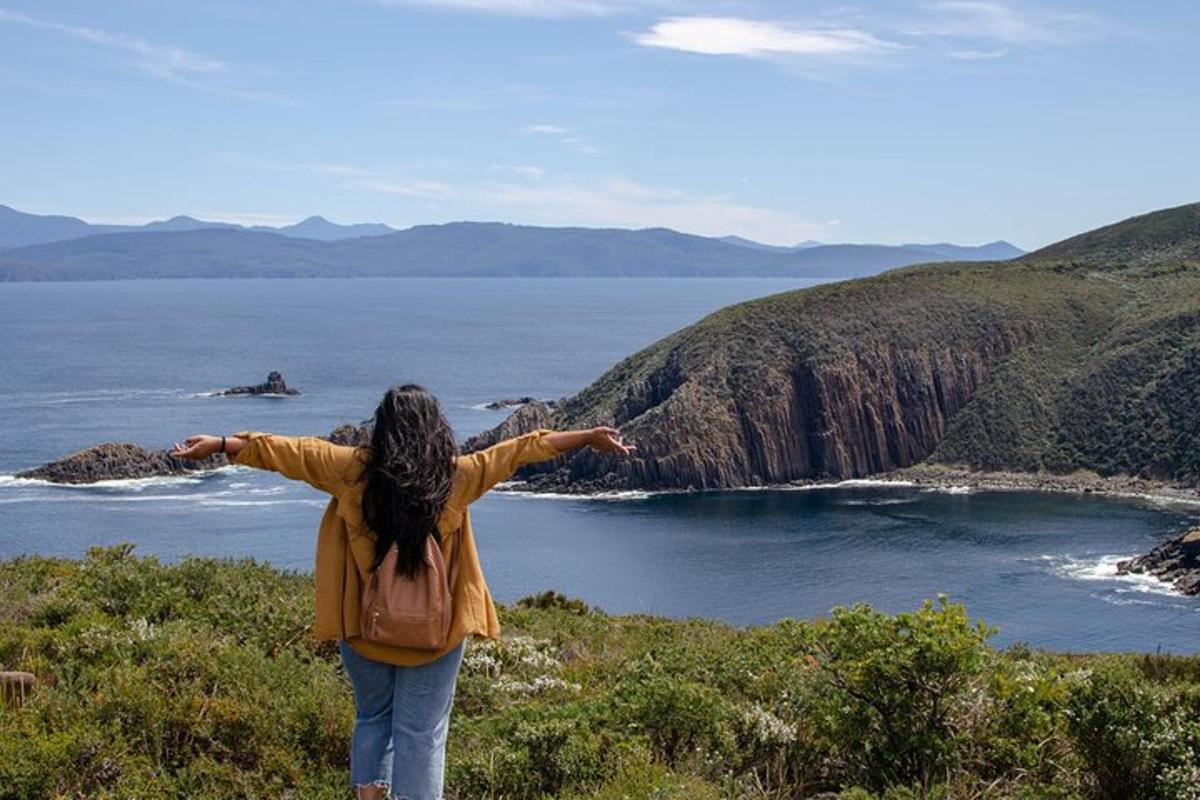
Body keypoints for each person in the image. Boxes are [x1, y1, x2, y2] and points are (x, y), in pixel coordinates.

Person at [171, 384, 635, 800]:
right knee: (422, 733)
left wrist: (222, 444)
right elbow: (520, 450)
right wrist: (588, 437)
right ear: (436, 430)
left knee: (374, 719)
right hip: (435, 637)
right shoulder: (459, 477)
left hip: (364, 629)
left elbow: (290, 453)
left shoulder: (352, 471)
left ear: (384, 428)